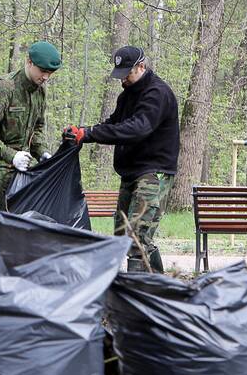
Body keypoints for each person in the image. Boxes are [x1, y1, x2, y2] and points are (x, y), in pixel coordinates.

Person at [64, 45, 179, 271]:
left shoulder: (157, 94)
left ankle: (139, 293)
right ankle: (154, 282)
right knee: (121, 236)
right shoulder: (126, 96)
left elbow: (137, 129)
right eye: (120, 74)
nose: (123, 79)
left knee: (137, 237)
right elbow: (114, 124)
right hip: (130, 173)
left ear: (141, 67)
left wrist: (90, 134)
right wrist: (83, 133)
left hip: (153, 174)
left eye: (127, 73)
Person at [0, 40, 62, 209]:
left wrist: (42, 153)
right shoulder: (4, 88)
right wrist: (11, 155)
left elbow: (37, 129)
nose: (46, 77)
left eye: (50, 73)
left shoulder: (39, 92)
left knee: (16, 231)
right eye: (42, 71)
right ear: (29, 62)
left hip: (20, 175)